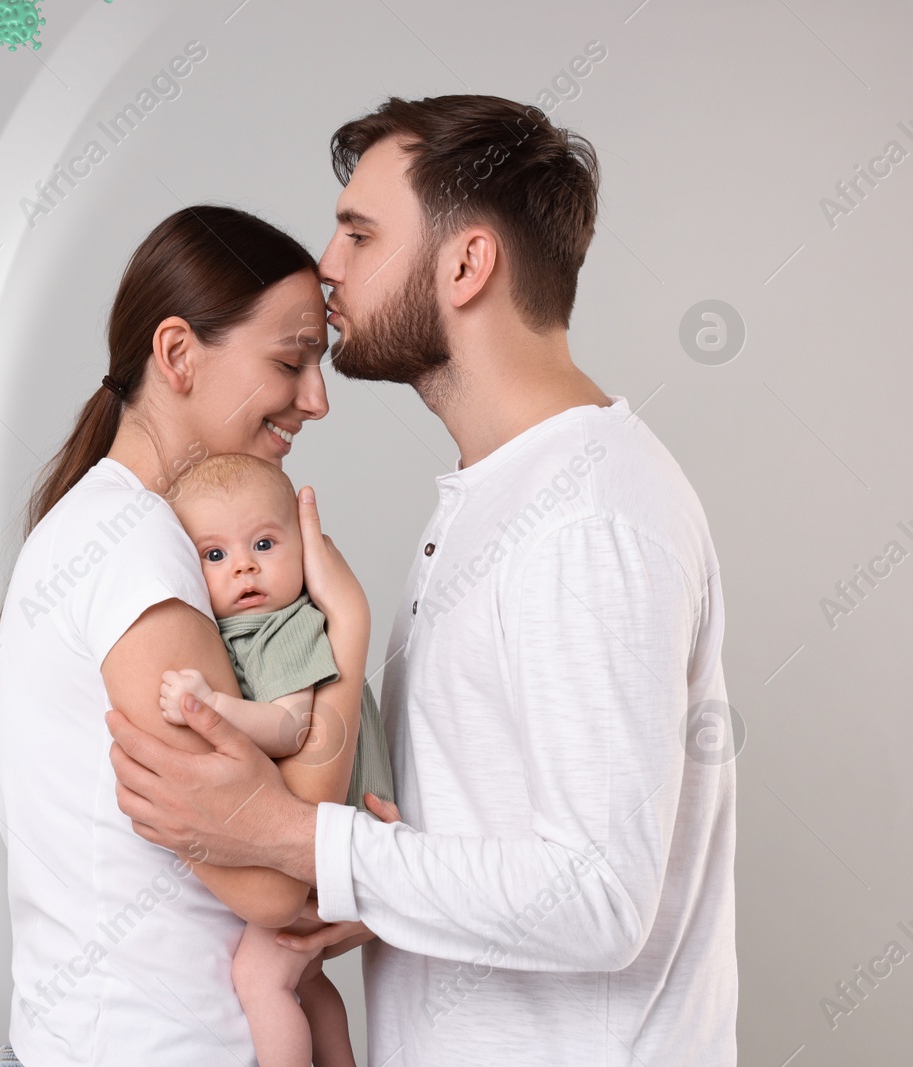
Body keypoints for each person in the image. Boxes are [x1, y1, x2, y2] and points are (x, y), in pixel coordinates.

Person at [107, 94, 738, 1065]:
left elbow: (600, 898)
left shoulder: (585, 517)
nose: (326, 264)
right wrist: (363, 890)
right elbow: (509, 846)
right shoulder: (499, 494)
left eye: (359, 233)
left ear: (465, 263)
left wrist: (291, 836)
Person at [0, 203, 399, 1067]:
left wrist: (350, 876)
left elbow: (269, 846)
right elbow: (277, 880)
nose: (317, 400)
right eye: (292, 361)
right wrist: (348, 631)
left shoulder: (107, 530)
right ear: (176, 353)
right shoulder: (136, 546)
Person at [158, 451, 395, 1067]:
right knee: (306, 979)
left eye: (264, 543)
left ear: (305, 547)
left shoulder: (285, 628)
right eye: (215, 555)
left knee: (261, 980)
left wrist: (210, 705)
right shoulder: (236, 631)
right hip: (337, 840)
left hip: (333, 839)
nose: (243, 566)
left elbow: (290, 729)